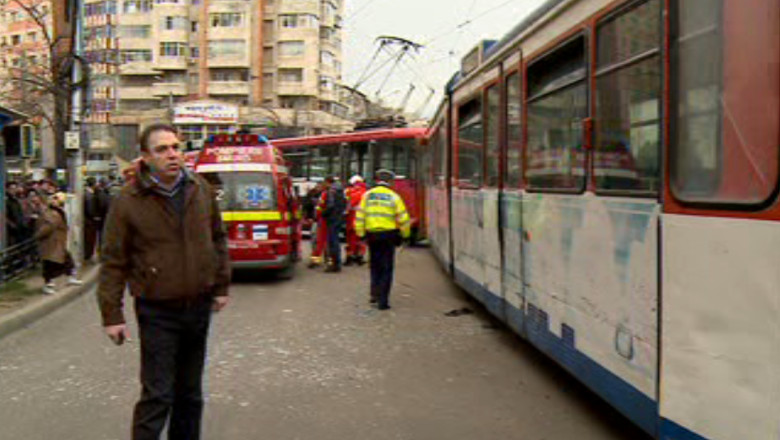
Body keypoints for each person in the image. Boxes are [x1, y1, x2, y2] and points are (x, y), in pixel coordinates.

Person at [97, 123, 230, 440]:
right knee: (158, 394)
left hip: (197, 306)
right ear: (145, 157)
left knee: (190, 394)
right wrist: (112, 315)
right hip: (157, 310)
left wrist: (221, 285)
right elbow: (113, 260)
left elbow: (217, 238)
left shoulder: (200, 189)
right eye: (162, 149)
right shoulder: (129, 200)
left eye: (175, 147)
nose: (172, 155)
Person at [355, 169, 411, 310]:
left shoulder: (367, 195)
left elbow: (360, 216)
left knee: (375, 265)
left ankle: (374, 294)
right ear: (391, 181)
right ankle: (383, 301)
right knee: (386, 268)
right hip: (388, 235)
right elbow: (403, 219)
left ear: (376, 180)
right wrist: (405, 235)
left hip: (372, 235)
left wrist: (360, 234)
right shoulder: (394, 197)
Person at [34, 192, 82, 295]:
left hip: (54, 241)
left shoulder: (53, 212)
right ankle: (50, 283)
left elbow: (48, 226)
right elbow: (48, 226)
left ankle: (65, 278)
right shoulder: (53, 213)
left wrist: (38, 235)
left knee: (62, 260)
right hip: (52, 241)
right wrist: (38, 235)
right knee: (52, 262)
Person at [322, 176, 346, 273]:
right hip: (339, 217)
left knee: (332, 242)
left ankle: (334, 264)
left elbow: (330, 205)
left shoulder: (332, 191)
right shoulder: (341, 190)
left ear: (328, 182)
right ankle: (337, 263)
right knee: (336, 241)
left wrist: (324, 213)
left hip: (332, 218)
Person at [344, 175, 367, 266]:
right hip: (362, 220)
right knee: (361, 239)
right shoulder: (366, 192)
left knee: (350, 239)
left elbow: (346, 205)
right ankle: (360, 257)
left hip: (350, 219)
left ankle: (349, 257)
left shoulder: (348, 191)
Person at [308, 182, 329, 268]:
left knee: (319, 241)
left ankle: (315, 260)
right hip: (328, 220)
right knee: (326, 241)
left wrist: (317, 216)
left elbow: (319, 207)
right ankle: (328, 260)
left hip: (322, 220)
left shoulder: (324, 195)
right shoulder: (331, 194)